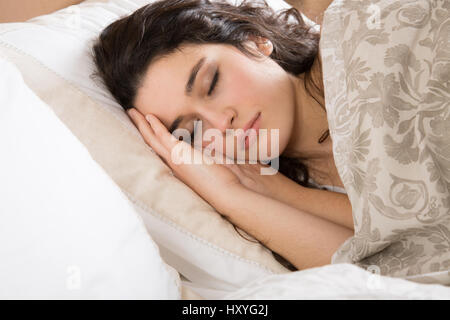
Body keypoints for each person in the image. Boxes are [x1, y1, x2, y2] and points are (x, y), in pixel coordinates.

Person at [92, 0, 353, 271]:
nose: (220, 122)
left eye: (212, 83)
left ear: (254, 41)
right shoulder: (276, 192)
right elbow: (374, 273)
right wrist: (232, 194)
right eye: (193, 130)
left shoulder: (364, 46)